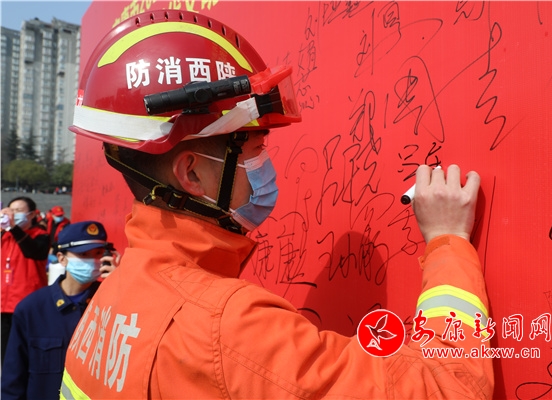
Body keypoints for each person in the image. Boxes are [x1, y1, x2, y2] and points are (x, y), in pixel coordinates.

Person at [61, 10, 493, 399]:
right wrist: (448, 241)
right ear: (191, 174)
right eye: (254, 149)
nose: (264, 168)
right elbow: (447, 388)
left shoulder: (111, 298)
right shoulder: (228, 328)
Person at [1, 221, 119, 400]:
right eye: (83, 254)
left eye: (98, 253)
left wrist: (121, 285)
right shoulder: (32, 308)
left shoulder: (113, 304)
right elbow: (13, 379)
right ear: (62, 258)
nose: (93, 261)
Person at [1, 196, 50, 367]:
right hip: (4, 304)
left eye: (18, 211)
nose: (13, 214)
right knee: (6, 354)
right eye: (11, 211)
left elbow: (34, 252)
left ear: (31, 215)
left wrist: (13, 227)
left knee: (27, 352)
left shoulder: (40, 235)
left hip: (29, 302)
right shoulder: (5, 236)